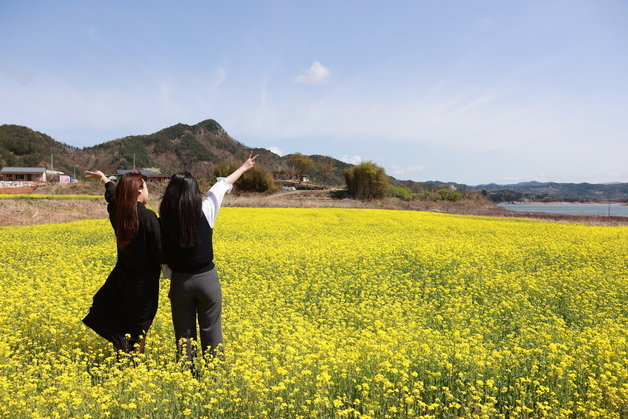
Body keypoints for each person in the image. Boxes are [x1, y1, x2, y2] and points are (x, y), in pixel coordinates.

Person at [159, 152, 258, 363]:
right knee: (212, 329)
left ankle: (187, 375)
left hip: (180, 282)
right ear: (194, 191)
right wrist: (243, 167)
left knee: (184, 335)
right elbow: (222, 186)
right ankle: (214, 375)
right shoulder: (205, 208)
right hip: (207, 279)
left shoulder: (164, 218)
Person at [82, 170, 162, 353]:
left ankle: (124, 362)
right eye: (146, 186)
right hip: (144, 286)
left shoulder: (118, 213)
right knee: (138, 330)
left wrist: (105, 179)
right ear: (139, 190)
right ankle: (133, 367)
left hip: (121, 280)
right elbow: (160, 254)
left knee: (123, 323)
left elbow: (112, 198)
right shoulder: (148, 217)